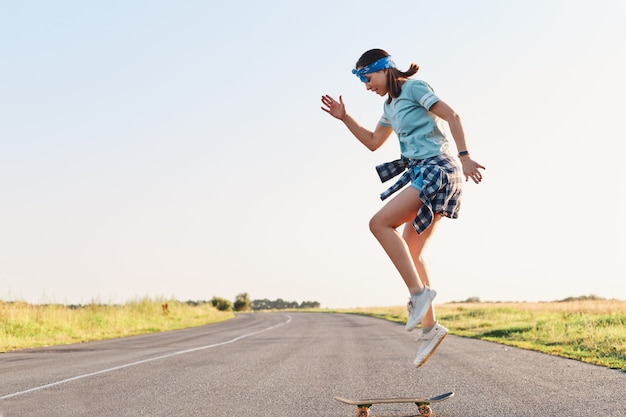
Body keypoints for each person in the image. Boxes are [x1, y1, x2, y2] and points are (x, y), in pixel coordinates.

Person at [321, 49, 485, 367]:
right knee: (411, 249)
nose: (367, 86)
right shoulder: (388, 106)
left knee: (379, 224)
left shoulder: (414, 88)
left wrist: (465, 155)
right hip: (423, 172)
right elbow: (372, 141)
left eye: (368, 79)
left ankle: (418, 295)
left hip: (437, 168)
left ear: (385, 70)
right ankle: (430, 329)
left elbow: (453, 116)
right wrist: (344, 118)